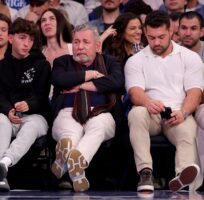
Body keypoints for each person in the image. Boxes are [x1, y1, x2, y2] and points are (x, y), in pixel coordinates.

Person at [124, 11, 203, 193]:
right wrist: (147, 101)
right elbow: (134, 91)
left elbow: (195, 92)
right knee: (136, 113)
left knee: (187, 130)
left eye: (161, 37)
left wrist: (183, 112)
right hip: (150, 112)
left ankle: (182, 176)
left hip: (178, 113)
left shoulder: (190, 58)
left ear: (171, 31)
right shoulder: (136, 60)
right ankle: (145, 172)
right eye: (151, 38)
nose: (156, 43)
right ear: (145, 33)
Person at [51, 23, 124, 192]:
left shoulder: (110, 61)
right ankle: (76, 162)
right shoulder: (62, 62)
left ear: (97, 45)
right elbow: (60, 79)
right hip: (68, 111)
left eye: (85, 42)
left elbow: (117, 81)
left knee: (98, 128)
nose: (80, 47)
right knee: (70, 131)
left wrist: (81, 85)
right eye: (76, 42)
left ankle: (68, 159)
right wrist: (90, 75)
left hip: (101, 111)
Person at [0, 18, 51, 192]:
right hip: (9, 115)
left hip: (36, 116)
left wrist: (29, 105)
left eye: (30, 39)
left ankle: (1, 166)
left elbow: (42, 96)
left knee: (31, 126)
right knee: (0, 121)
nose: (27, 43)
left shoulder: (42, 64)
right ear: (11, 38)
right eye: (22, 38)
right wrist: (8, 110)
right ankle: (0, 178)